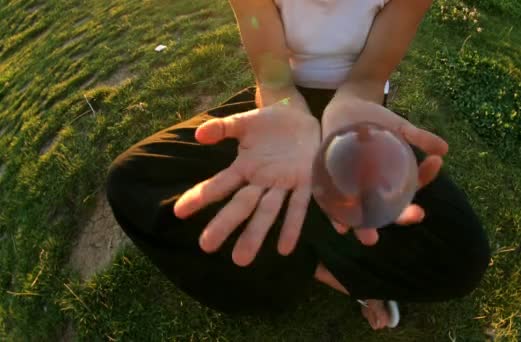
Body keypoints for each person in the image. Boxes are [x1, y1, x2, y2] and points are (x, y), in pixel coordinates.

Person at [106, 0, 491, 331]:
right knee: (133, 179)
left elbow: (369, 77)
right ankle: (333, 273)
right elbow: (273, 78)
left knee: (462, 255)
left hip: (357, 113)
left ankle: (303, 251)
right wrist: (286, 111)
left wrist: (345, 121)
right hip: (281, 113)